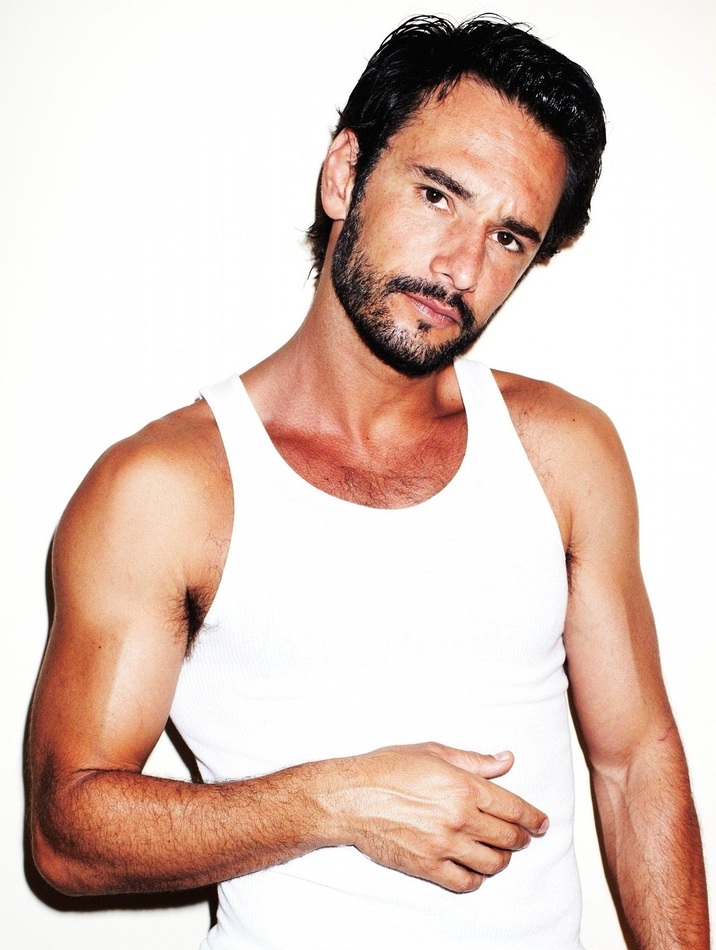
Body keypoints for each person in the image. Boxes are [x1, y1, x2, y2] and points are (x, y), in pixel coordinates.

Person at [29, 14, 709, 949]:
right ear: (345, 174)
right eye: (437, 195)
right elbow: (67, 833)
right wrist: (340, 801)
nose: (460, 267)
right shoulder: (168, 490)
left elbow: (635, 763)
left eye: (510, 238)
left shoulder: (563, 451)